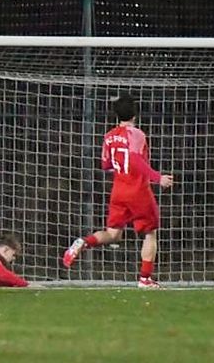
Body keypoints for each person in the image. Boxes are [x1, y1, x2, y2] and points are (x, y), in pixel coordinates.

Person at [62, 93, 175, 288]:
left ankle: (83, 242)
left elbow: (105, 164)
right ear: (134, 114)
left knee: (113, 234)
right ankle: (145, 279)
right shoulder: (136, 134)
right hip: (137, 190)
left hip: (118, 190)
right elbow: (135, 158)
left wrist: (121, 167)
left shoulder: (109, 136)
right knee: (150, 234)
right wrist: (158, 177)